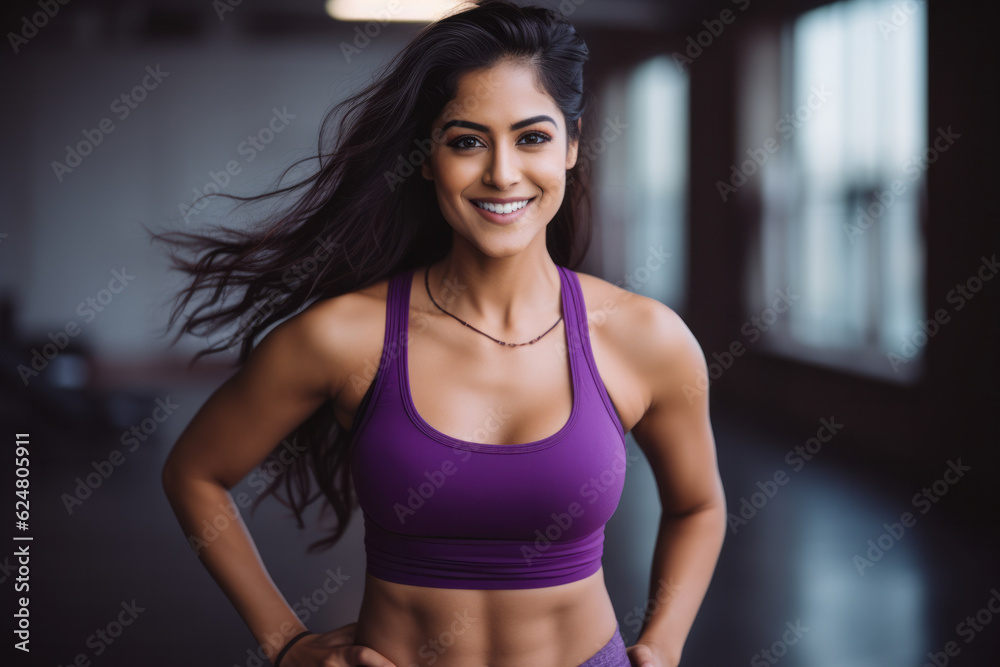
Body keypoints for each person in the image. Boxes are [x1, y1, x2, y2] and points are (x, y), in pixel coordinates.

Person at [155, 1, 726, 666]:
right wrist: (286, 642)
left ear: (572, 145)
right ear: (426, 159)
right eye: (466, 141)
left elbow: (698, 505)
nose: (502, 174)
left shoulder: (645, 337)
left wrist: (663, 643)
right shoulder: (345, 337)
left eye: (532, 138)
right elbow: (194, 471)